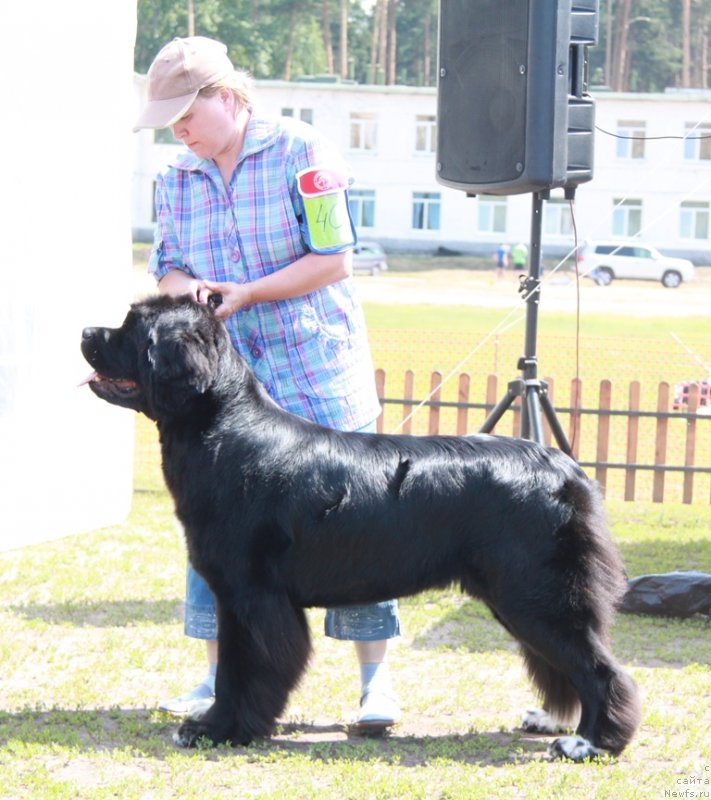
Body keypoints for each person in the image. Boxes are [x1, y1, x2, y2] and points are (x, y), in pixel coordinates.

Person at [133, 36, 401, 730]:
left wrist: (246, 292)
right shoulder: (175, 176)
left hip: (314, 371)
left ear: (226, 96)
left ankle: (375, 683)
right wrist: (191, 291)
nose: (178, 130)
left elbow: (334, 260)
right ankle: (223, 678)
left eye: (185, 115)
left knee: (358, 526)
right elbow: (167, 268)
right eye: (169, 121)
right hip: (222, 392)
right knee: (216, 526)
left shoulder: (303, 153)